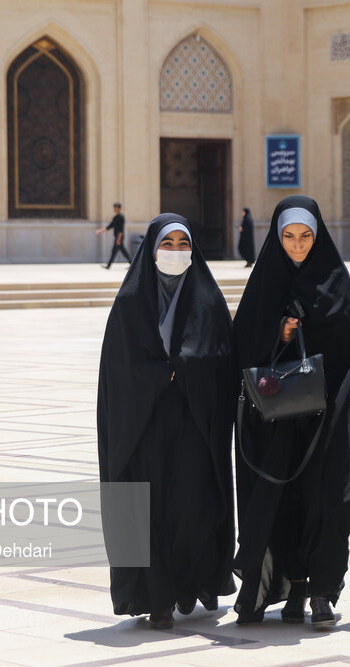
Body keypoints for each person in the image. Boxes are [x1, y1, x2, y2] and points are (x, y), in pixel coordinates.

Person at [96, 213, 237, 629]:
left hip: (194, 425)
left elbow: (224, 363)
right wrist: (159, 374)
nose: (176, 253)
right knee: (147, 510)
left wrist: (189, 367)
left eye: (183, 244)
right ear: (151, 249)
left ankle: (188, 585)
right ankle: (155, 598)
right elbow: (116, 373)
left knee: (193, 508)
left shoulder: (208, 301)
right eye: (167, 244)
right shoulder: (129, 305)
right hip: (143, 427)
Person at [232, 194, 350, 628]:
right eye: (289, 236)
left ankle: (320, 593)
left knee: (323, 498)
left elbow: (347, 344)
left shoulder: (334, 280)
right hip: (274, 419)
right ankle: (265, 590)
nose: (298, 245)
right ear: (277, 236)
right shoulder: (265, 280)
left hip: (322, 415)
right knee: (275, 498)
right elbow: (244, 345)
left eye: (306, 236)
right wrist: (280, 332)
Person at [97, 202, 133, 268]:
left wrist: (118, 239)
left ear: (119, 208)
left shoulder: (121, 217)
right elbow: (110, 226)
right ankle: (132, 264)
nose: (114, 209)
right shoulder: (115, 217)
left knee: (119, 251)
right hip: (117, 237)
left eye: (115, 207)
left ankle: (109, 265)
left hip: (119, 237)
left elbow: (121, 229)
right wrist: (101, 231)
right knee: (120, 251)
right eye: (114, 207)